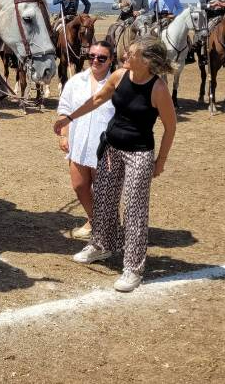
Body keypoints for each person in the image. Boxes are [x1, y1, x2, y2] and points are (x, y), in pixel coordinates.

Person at [53, 36, 177, 293]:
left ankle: (133, 267)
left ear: (146, 60)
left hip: (139, 154)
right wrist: (69, 119)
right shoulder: (120, 76)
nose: (125, 57)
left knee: (134, 209)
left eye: (131, 54)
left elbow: (170, 127)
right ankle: (101, 245)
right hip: (111, 148)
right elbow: (97, 99)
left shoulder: (158, 88)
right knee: (104, 200)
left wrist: (160, 161)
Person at [56, 40, 116, 239]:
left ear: (111, 60)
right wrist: (64, 135)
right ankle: (95, 221)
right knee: (79, 186)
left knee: (103, 192)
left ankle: (101, 227)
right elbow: (64, 109)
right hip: (79, 143)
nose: (95, 61)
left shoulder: (117, 84)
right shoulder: (75, 81)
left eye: (101, 58)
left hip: (106, 147)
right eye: (91, 56)